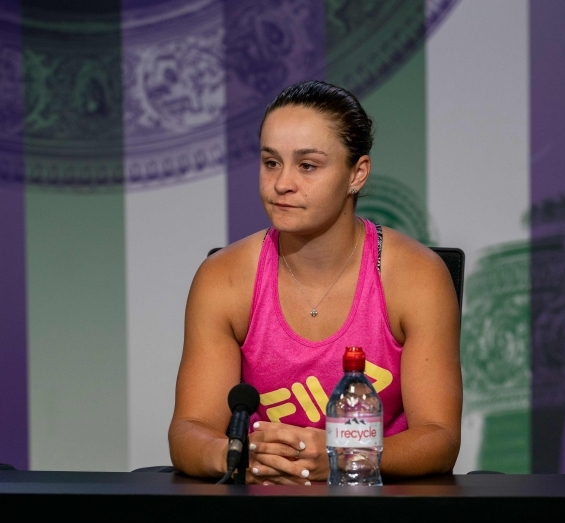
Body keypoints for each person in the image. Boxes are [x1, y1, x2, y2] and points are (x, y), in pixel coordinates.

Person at [169, 80, 461, 485]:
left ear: (356, 174)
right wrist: (236, 455)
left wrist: (345, 458)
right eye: (271, 162)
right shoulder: (224, 278)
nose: (282, 183)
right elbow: (190, 428)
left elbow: (440, 438)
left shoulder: (417, 277)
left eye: (307, 165)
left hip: (381, 520)